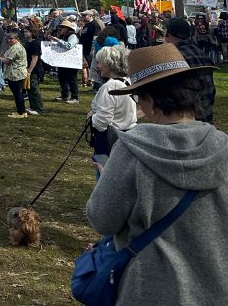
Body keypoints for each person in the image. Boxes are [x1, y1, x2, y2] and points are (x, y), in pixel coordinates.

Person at [85, 43, 228, 303]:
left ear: (149, 99)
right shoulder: (223, 147)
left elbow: (102, 219)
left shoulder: (131, 149)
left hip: (148, 289)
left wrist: (107, 180)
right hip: (217, 287)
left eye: (139, 96)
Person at [87, 44, 136, 162]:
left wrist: (90, 118)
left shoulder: (110, 86)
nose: (98, 66)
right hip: (127, 137)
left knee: (104, 175)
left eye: (100, 62)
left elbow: (103, 121)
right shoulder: (128, 83)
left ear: (110, 64)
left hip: (108, 140)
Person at [163, 17, 216, 124]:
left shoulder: (172, 57)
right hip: (206, 118)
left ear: (168, 33)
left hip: (185, 122)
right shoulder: (201, 53)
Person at [0, 32, 29, 118]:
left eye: (11, 38)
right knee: (19, 93)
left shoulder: (16, 48)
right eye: (8, 38)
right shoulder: (17, 46)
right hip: (18, 72)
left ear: (17, 39)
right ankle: (22, 111)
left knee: (17, 94)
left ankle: (20, 113)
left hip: (15, 74)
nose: (9, 40)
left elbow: (8, 61)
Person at [49, 19, 81, 104]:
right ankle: (64, 95)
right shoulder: (64, 36)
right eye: (60, 27)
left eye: (62, 27)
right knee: (62, 78)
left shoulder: (72, 36)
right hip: (63, 61)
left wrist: (58, 40)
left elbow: (69, 46)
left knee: (71, 79)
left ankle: (75, 97)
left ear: (67, 28)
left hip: (72, 61)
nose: (61, 29)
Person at [22, 23, 45, 116]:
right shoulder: (29, 42)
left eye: (26, 31)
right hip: (28, 68)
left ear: (32, 32)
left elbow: (34, 58)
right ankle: (33, 107)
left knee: (34, 89)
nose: (24, 33)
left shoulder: (35, 43)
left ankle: (39, 109)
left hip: (34, 69)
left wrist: (29, 71)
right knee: (29, 89)